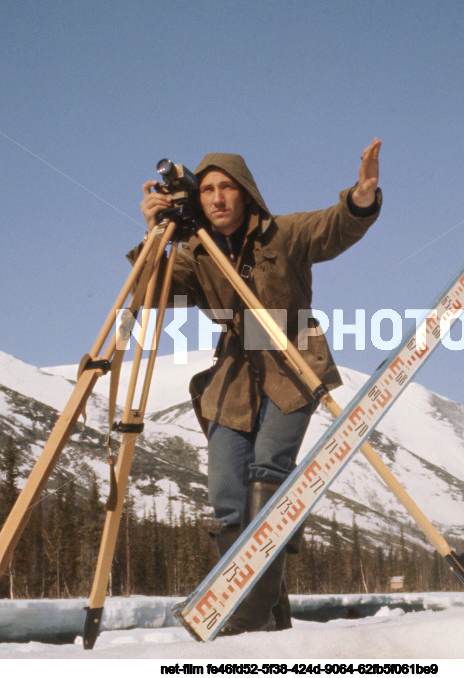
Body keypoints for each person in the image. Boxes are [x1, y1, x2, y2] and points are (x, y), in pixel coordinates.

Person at [136, 139, 382, 631]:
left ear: (245, 193)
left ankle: (245, 614)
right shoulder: (196, 252)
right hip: (232, 374)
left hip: (292, 363)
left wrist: (362, 196)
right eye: (206, 190)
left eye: (227, 187)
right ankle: (272, 611)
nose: (217, 198)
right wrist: (154, 234)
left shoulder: (283, 234)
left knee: (268, 475)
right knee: (227, 492)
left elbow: (335, 226)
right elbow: (152, 292)